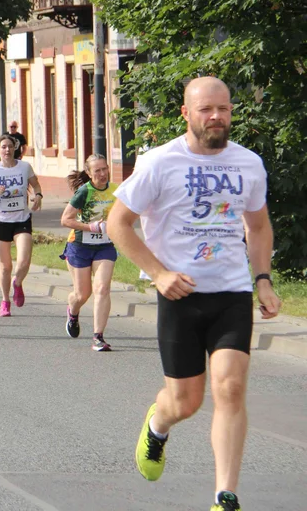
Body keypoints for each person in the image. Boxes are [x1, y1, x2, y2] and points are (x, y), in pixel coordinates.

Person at [107, 77, 278, 511]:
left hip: (232, 292)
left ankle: (225, 495)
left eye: (223, 108)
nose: (216, 116)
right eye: (206, 109)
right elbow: (117, 224)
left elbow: (257, 227)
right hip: (180, 295)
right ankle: (158, 425)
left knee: (231, 388)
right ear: (186, 113)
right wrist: (158, 273)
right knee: (186, 402)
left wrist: (263, 279)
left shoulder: (249, 163)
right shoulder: (161, 162)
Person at [0, 135, 42, 317]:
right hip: (0, 221)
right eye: (3, 147)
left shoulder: (24, 167)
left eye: (10, 146)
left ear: (15, 148)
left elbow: (36, 185)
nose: (7, 150)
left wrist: (38, 196)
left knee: (24, 260)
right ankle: (5, 301)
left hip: (21, 219)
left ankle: (18, 282)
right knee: (5, 266)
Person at [61, 154, 119, 351]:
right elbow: (66, 220)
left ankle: (98, 337)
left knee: (102, 288)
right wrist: (91, 227)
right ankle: (73, 311)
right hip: (80, 245)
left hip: (105, 246)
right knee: (82, 294)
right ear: (89, 173)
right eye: (97, 171)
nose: (103, 174)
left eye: (105, 169)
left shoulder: (115, 190)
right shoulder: (84, 192)